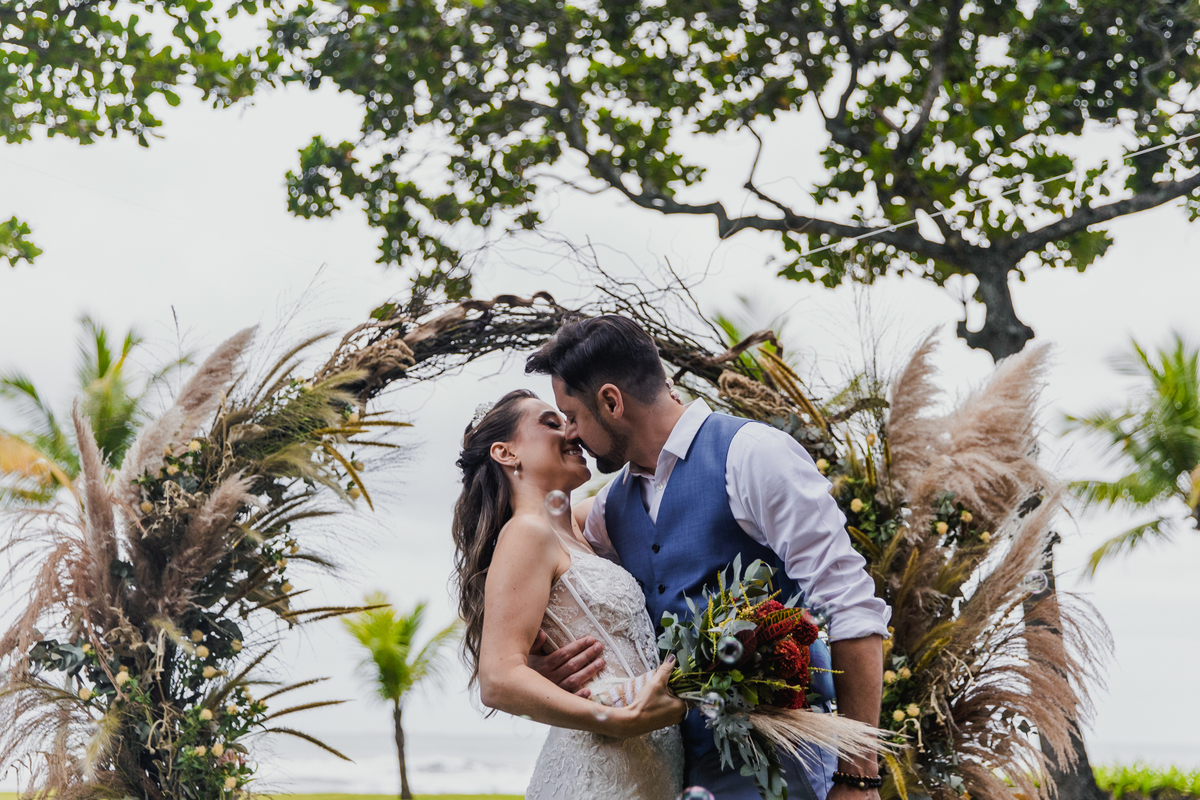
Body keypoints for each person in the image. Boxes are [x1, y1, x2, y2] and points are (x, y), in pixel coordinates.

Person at [524, 315, 891, 800]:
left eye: (572, 415)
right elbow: (553, 548)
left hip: (789, 766)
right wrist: (536, 661)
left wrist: (858, 776)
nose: (571, 433)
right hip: (682, 771)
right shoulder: (612, 507)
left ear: (611, 402)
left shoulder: (753, 456)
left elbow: (850, 606)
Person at [451, 389, 687, 799]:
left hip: (652, 768)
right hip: (599, 768)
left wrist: (662, 411)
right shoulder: (527, 532)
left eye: (570, 421)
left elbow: (657, 476)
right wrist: (614, 720)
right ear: (506, 453)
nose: (572, 432)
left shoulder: (580, 527)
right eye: (551, 423)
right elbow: (498, 679)